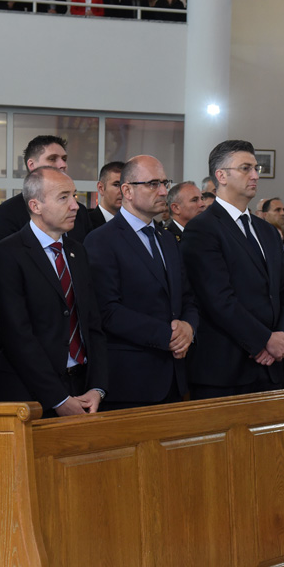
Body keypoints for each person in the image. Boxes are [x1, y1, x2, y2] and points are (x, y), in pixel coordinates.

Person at [180, 140, 284, 399]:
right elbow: (217, 299)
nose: (255, 175)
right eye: (246, 168)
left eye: (256, 168)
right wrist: (264, 340)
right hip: (226, 369)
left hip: (272, 366)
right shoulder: (203, 228)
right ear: (221, 176)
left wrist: (282, 336)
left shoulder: (267, 230)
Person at [0, 166, 107, 416]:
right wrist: (59, 399)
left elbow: (93, 324)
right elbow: (17, 336)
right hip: (29, 395)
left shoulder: (77, 251)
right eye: (63, 197)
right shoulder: (7, 254)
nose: (75, 206)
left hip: (81, 387)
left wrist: (97, 387)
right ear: (36, 206)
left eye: (74, 196)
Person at [85, 155, 197, 407]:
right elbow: (107, 310)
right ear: (127, 191)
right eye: (153, 184)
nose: (163, 191)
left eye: (165, 183)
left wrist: (189, 328)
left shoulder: (167, 239)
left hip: (175, 375)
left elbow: (187, 297)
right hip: (131, 379)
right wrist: (167, 335)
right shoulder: (101, 240)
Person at [0, 135, 91, 243]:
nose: (63, 164)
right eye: (52, 159)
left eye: (64, 159)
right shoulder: (8, 212)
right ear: (32, 165)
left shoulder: (80, 212)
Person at [87, 161, 123, 227]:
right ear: (101, 188)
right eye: (116, 185)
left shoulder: (136, 224)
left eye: (126, 186)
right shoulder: (85, 223)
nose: (122, 191)